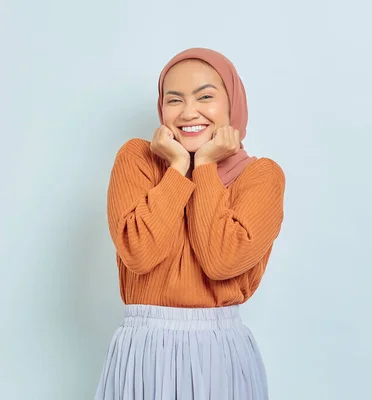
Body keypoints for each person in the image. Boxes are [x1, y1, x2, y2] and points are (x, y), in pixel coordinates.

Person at [94, 47, 285, 400]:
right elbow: (139, 252)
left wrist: (206, 166)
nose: (188, 112)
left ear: (233, 105)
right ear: (161, 109)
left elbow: (221, 259)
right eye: (174, 100)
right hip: (143, 349)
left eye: (206, 97)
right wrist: (179, 168)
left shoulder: (260, 176)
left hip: (218, 351)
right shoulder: (137, 159)